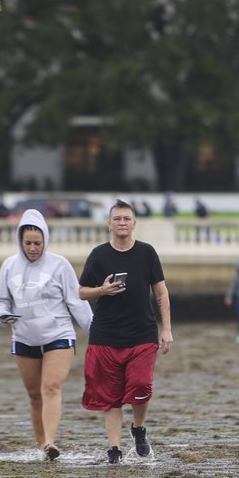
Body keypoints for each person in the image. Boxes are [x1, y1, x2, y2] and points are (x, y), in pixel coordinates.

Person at [0, 209, 93, 460]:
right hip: (24, 338)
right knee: (34, 395)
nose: (33, 248)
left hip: (58, 335)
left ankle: (50, 442)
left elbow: (76, 301)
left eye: (38, 243)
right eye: (28, 243)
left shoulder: (60, 265)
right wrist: (3, 315)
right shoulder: (9, 266)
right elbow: (0, 300)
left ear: (45, 240)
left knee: (51, 387)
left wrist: (96, 331)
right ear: (20, 242)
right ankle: (40, 447)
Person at [79, 199, 173, 464]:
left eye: (126, 219)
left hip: (142, 333)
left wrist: (166, 328)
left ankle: (138, 429)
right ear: (109, 223)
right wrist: (101, 291)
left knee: (141, 385)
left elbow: (161, 291)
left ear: (134, 223)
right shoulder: (98, 254)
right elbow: (81, 291)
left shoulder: (147, 253)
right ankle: (114, 450)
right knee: (110, 396)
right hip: (105, 335)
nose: (122, 223)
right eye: (117, 218)